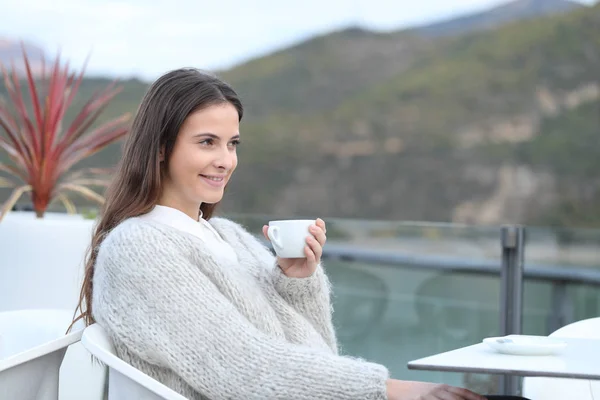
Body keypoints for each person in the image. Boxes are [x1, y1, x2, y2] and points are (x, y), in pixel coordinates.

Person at [70, 68, 530, 400]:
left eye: (232, 144)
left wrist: (298, 282)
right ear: (162, 148)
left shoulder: (226, 237)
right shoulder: (138, 247)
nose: (225, 160)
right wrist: (393, 391)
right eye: (207, 142)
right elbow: (241, 368)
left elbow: (319, 355)